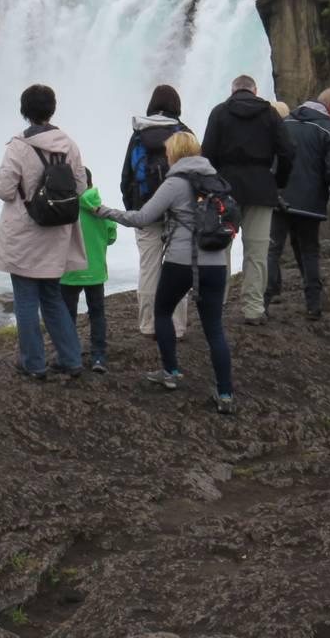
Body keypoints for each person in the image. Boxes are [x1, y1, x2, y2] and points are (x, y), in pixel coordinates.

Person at [94, 131, 236, 413]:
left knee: (162, 311)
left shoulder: (175, 183)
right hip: (216, 262)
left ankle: (170, 372)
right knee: (214, 328)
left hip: (181, 261)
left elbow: (143, 218)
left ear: (174, 154)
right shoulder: (216, 180)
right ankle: (226, 393)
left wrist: (105, 212)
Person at [0, 84, 88, 380]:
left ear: (25, 111)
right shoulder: (69, 144)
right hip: (57, 233)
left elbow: (3, 188)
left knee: (25, 300)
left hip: (25, 232)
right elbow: (81, 187)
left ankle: (33, 363)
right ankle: (71, 359)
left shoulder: (19, 146)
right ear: (52, 109)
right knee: (53, 297)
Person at [202, 74, 295, 326]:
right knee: (257, 250)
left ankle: (216, 304)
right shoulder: (270, 114)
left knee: (221, 247)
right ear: (254, 90)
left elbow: (207, 153)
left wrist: (213, 184)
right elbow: (288, 151)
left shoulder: (219, 113)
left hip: (226, 188)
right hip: (261, 188)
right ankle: (253, 308)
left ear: (233, 90)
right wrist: (277, 181)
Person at [269, 87, 330, 320]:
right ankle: (313, 305)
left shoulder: (285, 123)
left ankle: (262, 303)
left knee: (273, 247)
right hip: (310, 200)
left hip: (280, 195)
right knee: (309, 250)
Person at [120, 85, 193, 338]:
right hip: (180, 213)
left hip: (145, 210)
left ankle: (148, 325)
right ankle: (177, 326)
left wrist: (135, 210)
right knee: (178, 269)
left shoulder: (139, 134)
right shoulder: (184, 133)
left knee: (149, 269)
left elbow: (126, 177)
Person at [63, 170, 117, 372]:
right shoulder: (100, 208)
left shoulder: (66, 207)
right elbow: (111, 236)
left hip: (69, 272)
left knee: (68, 315)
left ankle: (71, 356)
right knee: (97, 314)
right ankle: (99, 358)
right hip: (95, 271)